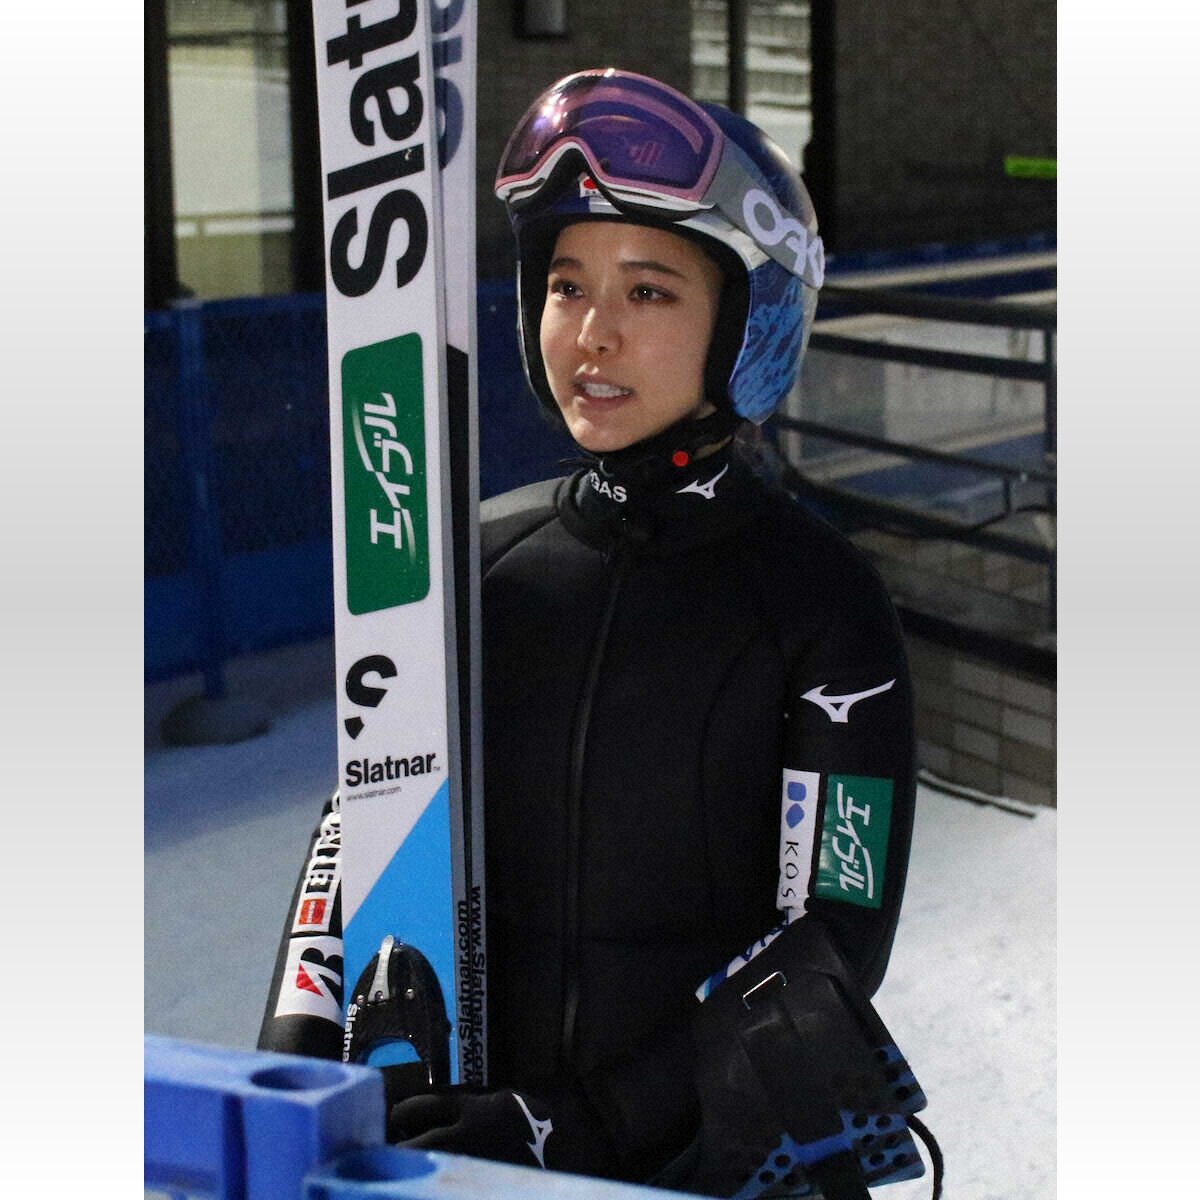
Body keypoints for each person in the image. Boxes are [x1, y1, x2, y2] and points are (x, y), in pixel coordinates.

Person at [260, 68, 927, 1199]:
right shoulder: (469, 565)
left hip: (707, 1168)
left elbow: (829, 936)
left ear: (751, 324)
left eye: (650, 292)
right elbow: (358, 827)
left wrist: (584, 1128)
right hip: (461, 1155)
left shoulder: (818, 601)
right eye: (566, 286)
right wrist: (289, 1069)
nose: (593, 334)